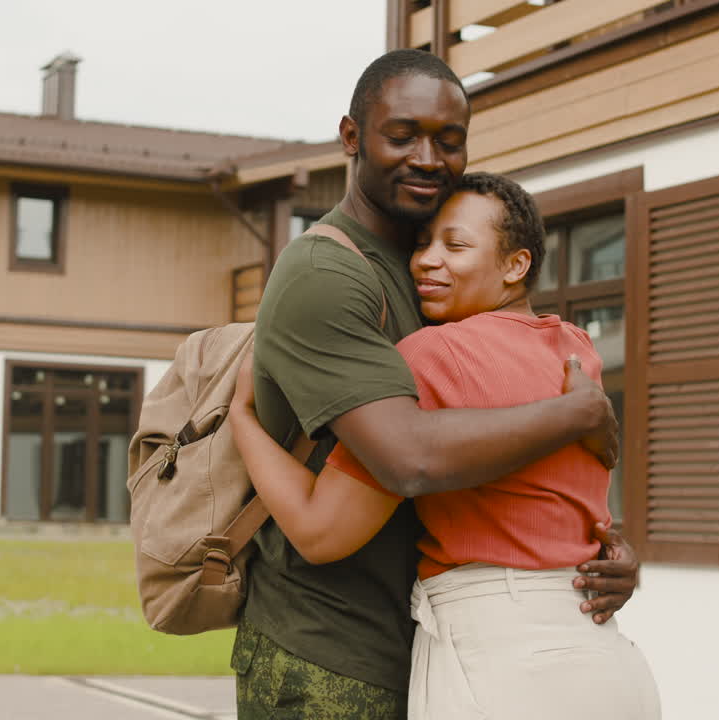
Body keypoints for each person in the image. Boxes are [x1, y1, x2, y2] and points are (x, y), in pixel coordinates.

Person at [234, 49, 640, 719]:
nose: (427, 156)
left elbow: (515, 463)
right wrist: (578, 414)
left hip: (446, 647)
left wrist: (603, 551)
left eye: (449, 141)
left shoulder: (439, 290)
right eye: (403, 135)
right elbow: (409, 458)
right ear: (351, 137)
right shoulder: (326, 275)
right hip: (329, 654)